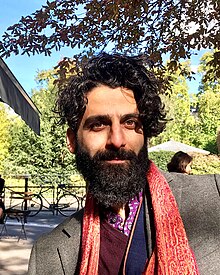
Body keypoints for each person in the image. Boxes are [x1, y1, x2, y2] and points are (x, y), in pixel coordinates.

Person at [28, 53, 220, 275]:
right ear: (72, 140)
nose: (117, 140)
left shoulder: (213, 198)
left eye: (130, 123)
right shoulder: (48, 254)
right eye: (98, 124)